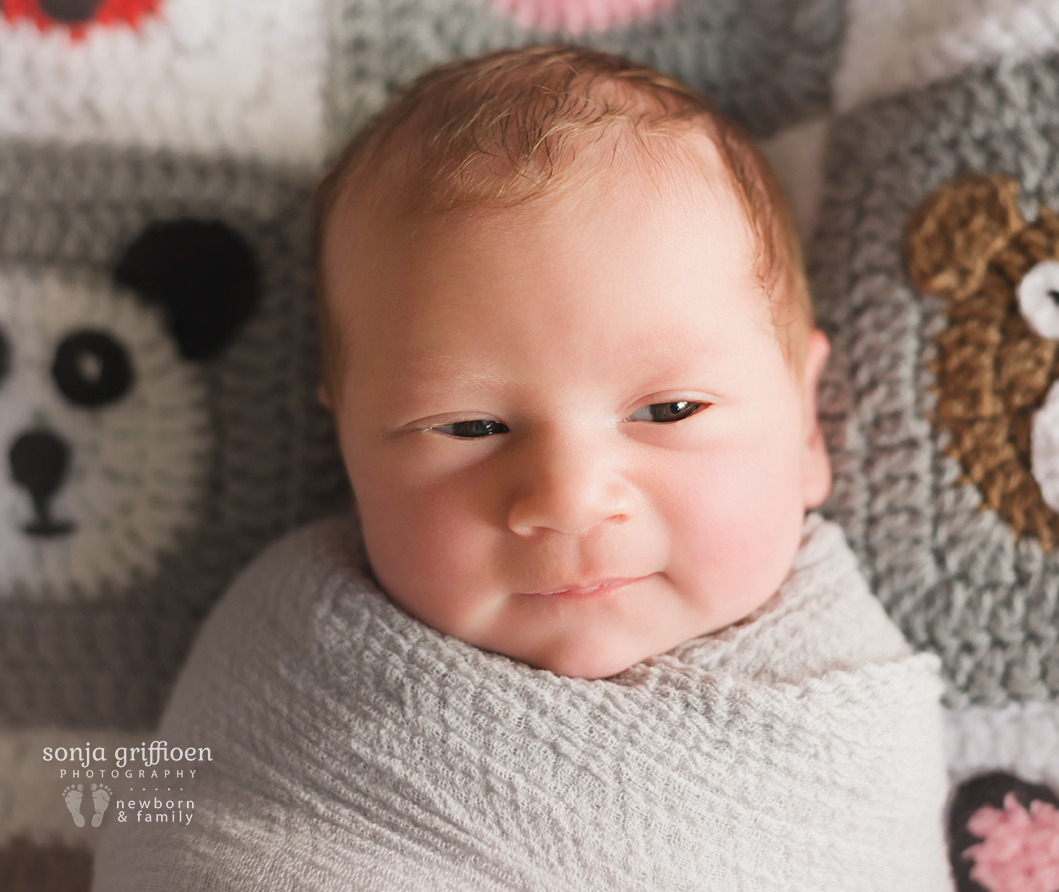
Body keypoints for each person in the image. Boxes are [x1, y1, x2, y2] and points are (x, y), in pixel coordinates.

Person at [93, 46, 950, 891]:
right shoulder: (280, 657)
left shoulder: (847, 712)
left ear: (806, 426)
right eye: (470, 425)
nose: (569, 501)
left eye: (669, 411)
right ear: (348, 449)